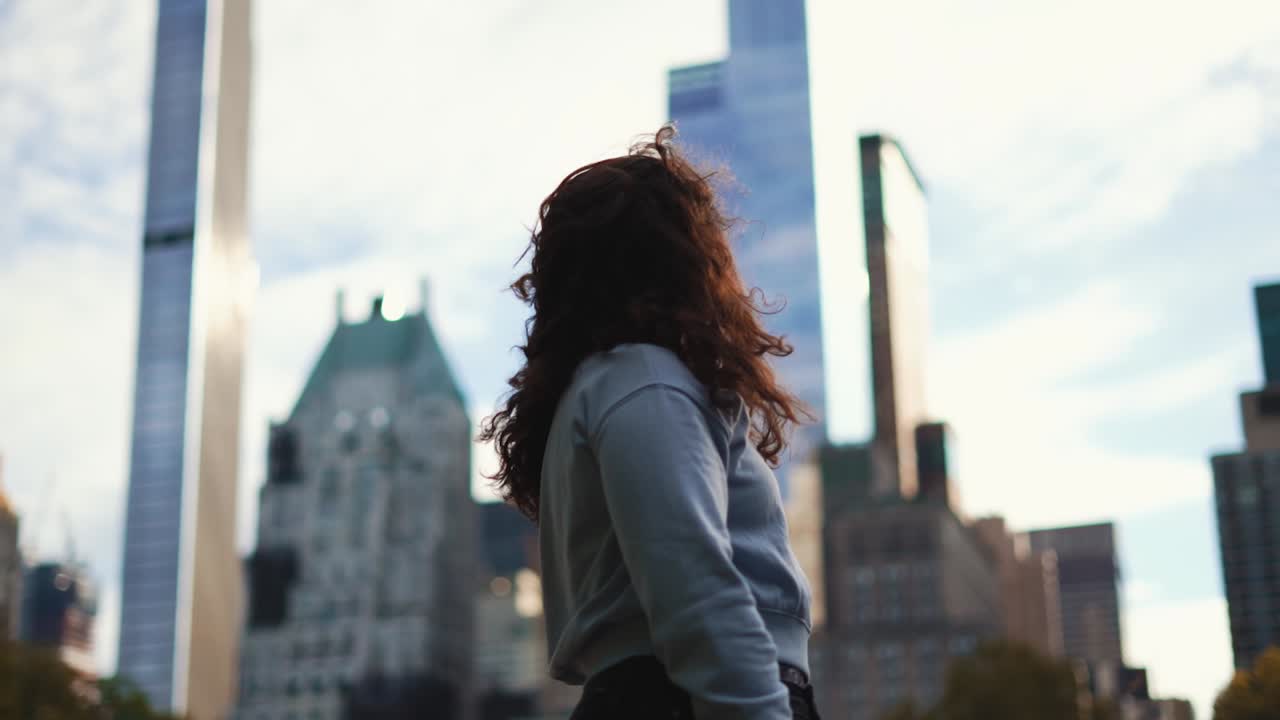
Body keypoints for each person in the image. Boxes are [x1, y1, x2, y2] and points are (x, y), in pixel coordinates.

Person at [480, 126, 821, 720]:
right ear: (684, 259)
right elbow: (694, 585)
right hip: (689, 698)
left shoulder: (610, 389)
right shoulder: (644, 381)